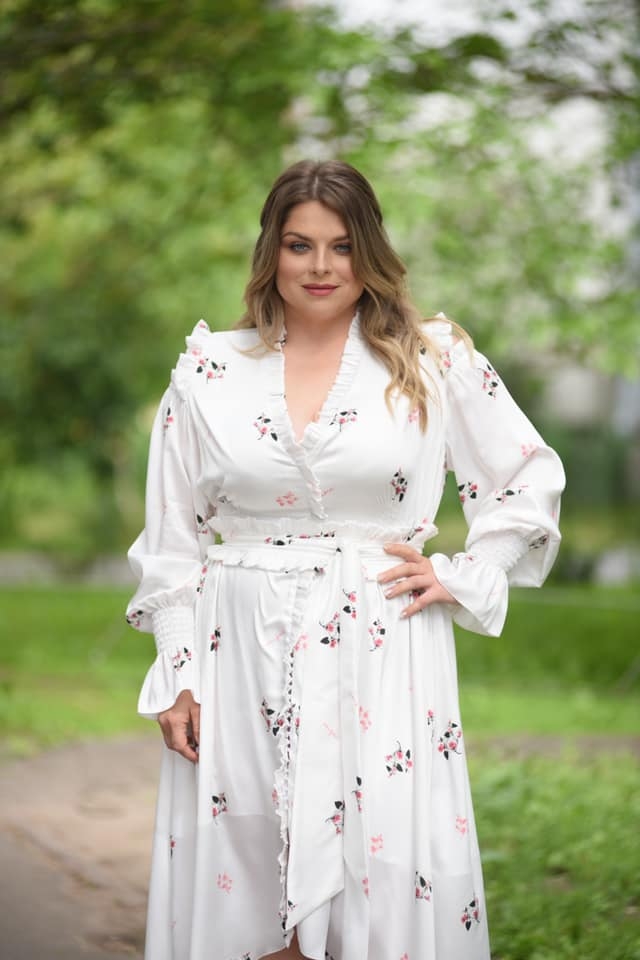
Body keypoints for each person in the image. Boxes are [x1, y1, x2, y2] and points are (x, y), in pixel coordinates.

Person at [126, 159, 565, 960]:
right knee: (246, 859)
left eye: (342, 245)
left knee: (381, 858)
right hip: (238, 651)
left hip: (382, 645)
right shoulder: (211, 371)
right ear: (272, 251)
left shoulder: (431, 360)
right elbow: (172, 540)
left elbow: (526, 477)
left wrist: (467, 571)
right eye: (300, 245)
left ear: (370, 250)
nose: (321, 267)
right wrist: (178, 671)